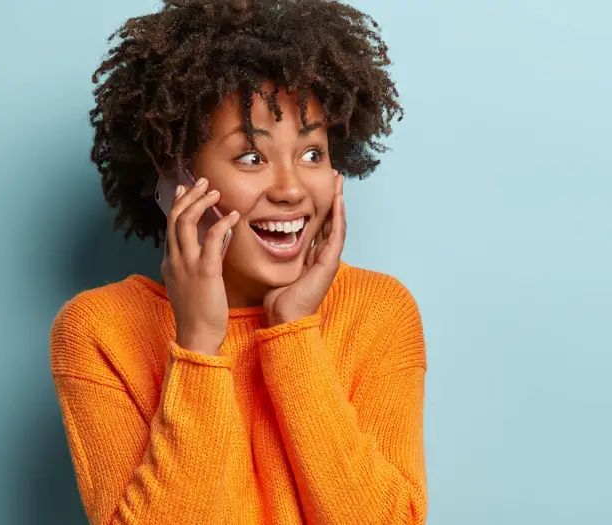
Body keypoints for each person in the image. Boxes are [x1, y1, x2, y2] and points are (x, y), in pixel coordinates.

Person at [49, 1, 427, 523]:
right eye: (251, 157)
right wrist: (198, 346)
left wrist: (293, 330)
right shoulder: (99, 330)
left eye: (312, 153)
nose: (291, 189)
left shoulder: (380, 311)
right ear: (178, 180)